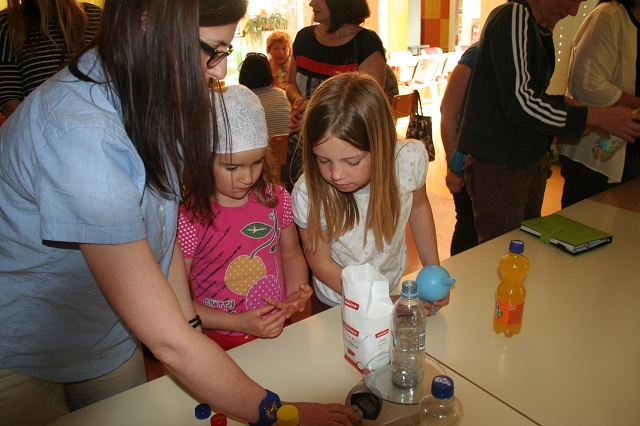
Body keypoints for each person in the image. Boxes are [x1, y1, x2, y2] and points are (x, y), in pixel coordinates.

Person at [0, 1, 360, 425]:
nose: (222, 71)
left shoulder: (154, 96)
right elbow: (167, 341)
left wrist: (189, 322)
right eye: (214, 50)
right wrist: (278, 413)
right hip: (22, 351)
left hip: (104, 335)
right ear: (151, 26)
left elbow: (160, 232)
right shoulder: (83, 133)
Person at [456, 0, 640, 244]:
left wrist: (561, 103)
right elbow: (521, 102)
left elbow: (523, 96)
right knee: (503, 253)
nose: (574, 11)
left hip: (523, 164)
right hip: (502, 166)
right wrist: (594, 116)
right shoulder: (514, 15)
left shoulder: (537, 27)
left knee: (522, 249)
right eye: (574, 0)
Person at [291, 72, 444, 314]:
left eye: (352, 162)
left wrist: (433, 270)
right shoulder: (308, 194)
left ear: (382, 145)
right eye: (323, 160)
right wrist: (385, 300)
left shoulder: (408, 160)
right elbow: (321, 264)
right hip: (337, 302)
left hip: (392, 287)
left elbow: (419, 207)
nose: (336, 174)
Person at [177, 84, 311, 351]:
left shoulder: (276, 200)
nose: (248, 177)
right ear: (202, 159)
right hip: (219, 341)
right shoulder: (190, 218)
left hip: (278, 331)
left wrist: (296, 292)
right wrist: (239, 323)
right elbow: (177, 299)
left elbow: (291, 255)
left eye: (257, 162)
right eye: (232, 166)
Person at [282, 0, 387, 193]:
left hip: (345, 149)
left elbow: (368, 103)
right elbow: (290, 84)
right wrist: (298, 101)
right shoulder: (303, 38)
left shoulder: (365, 43)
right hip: (301, 143)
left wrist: (311, 109)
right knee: (301, 201)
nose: (311, 3)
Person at [557, 0, 640, 208]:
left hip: (633, 150)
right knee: (583, 227)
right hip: (598, 154)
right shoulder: (609, 16)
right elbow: (587, 83)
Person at [0, 0, 102, 118]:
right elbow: (10, 103)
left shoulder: (97, 17)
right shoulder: (7, 25)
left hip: (105, 126)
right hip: (50, 128)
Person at [439, 43, 478, 256]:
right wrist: (454, 165)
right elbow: (448, 111)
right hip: (466, 160)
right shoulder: (476, 54)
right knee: (467, 224)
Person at [239, 52, 292, 138]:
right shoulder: (282, 94)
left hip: (263, 149)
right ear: (269, 73)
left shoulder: (242, 99)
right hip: (287, 148)